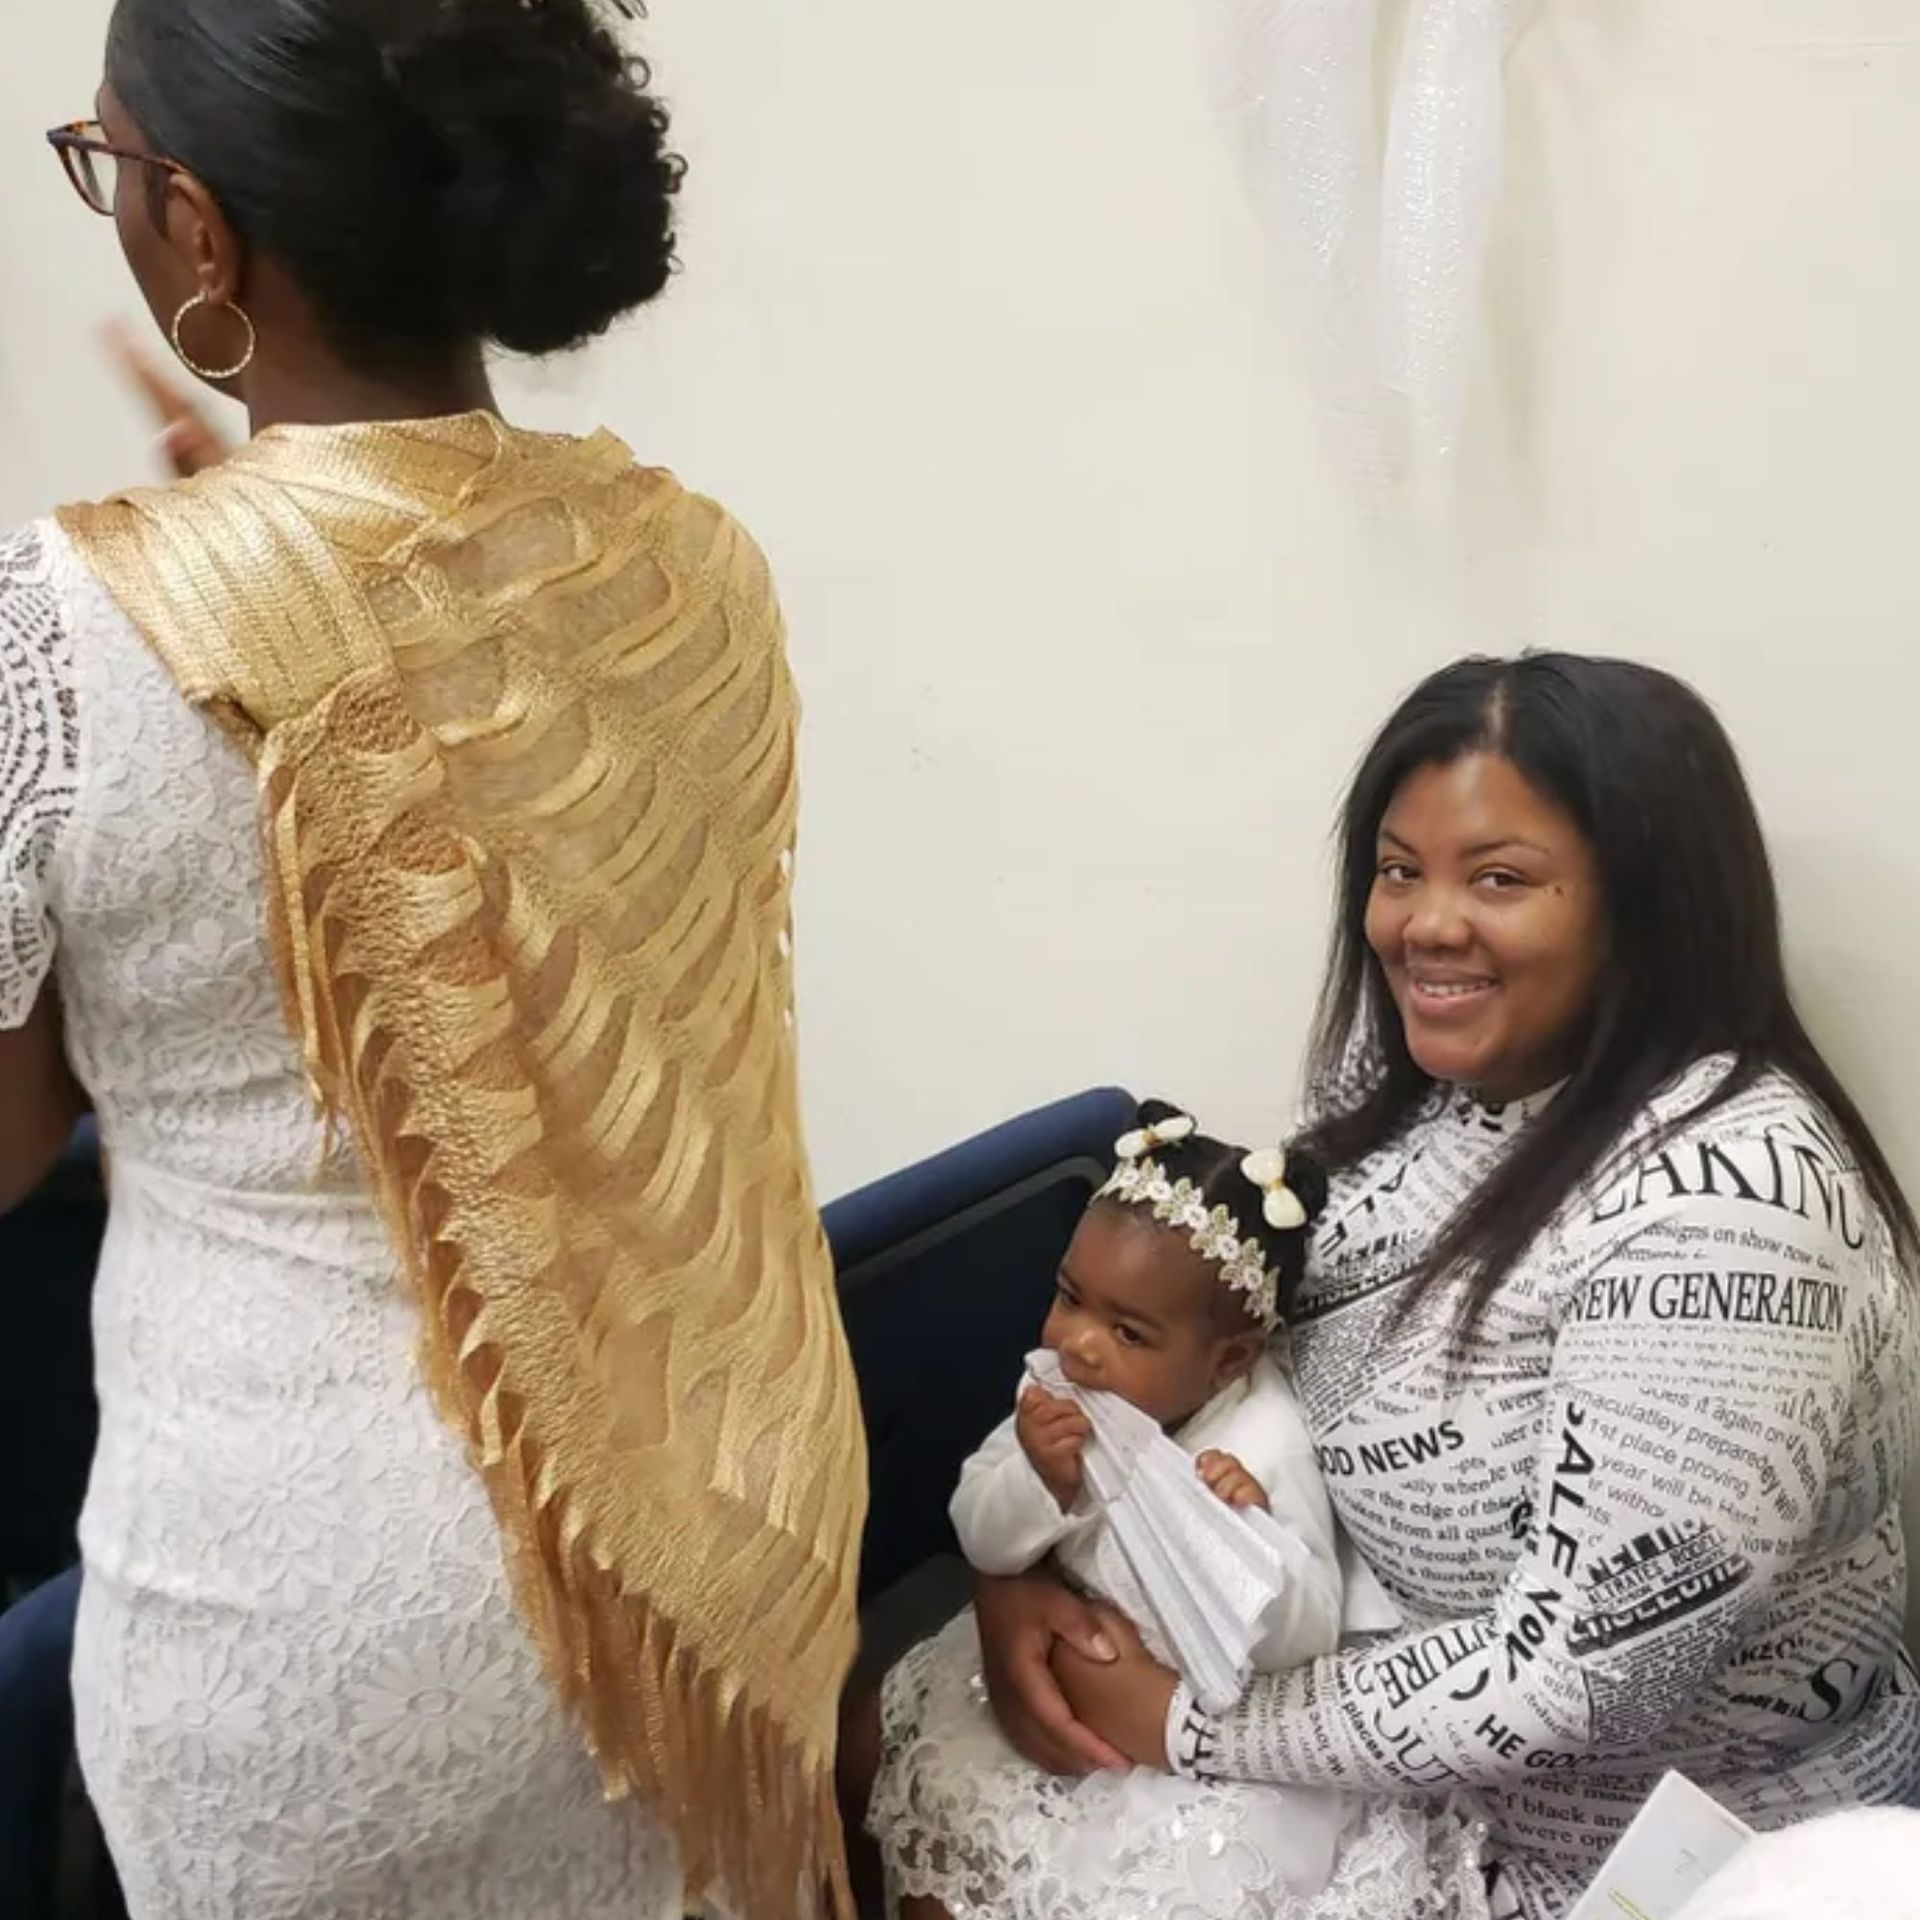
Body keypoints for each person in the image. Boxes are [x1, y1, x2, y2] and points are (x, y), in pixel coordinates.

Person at [0, 4, 866, 1918]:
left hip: (295, 1637)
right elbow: (551, 953)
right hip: (695, 1567)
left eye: (109, 163)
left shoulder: (52, 640)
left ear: (199, 235)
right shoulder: (688, 570)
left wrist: (178, 645)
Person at [933, 655, 1920, 1919]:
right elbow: (1199, 1334)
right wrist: (1019, 1563)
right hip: (1312, 1690)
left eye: (1498, 878)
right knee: (898, 1758)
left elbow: (1586, 1678)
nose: (1422, 924)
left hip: (1605, 1850)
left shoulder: (1733, 1215)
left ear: (1648, 904)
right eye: (1400, 870)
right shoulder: (1427, 1087)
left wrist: (1185, 1724)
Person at [864, 1100, 1488, 1920]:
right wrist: (1038, 1484)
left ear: (1227, 1360)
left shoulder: (1262, 1444)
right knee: (916, 1798)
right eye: (1068, 1296)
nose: (1078, 1342)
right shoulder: (1059, 1385)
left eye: (1127, 1331)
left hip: (1204, 1748)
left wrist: (1244, 1533)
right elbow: (977, 1528)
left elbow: (1302, 1639)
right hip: (1056, 1663)